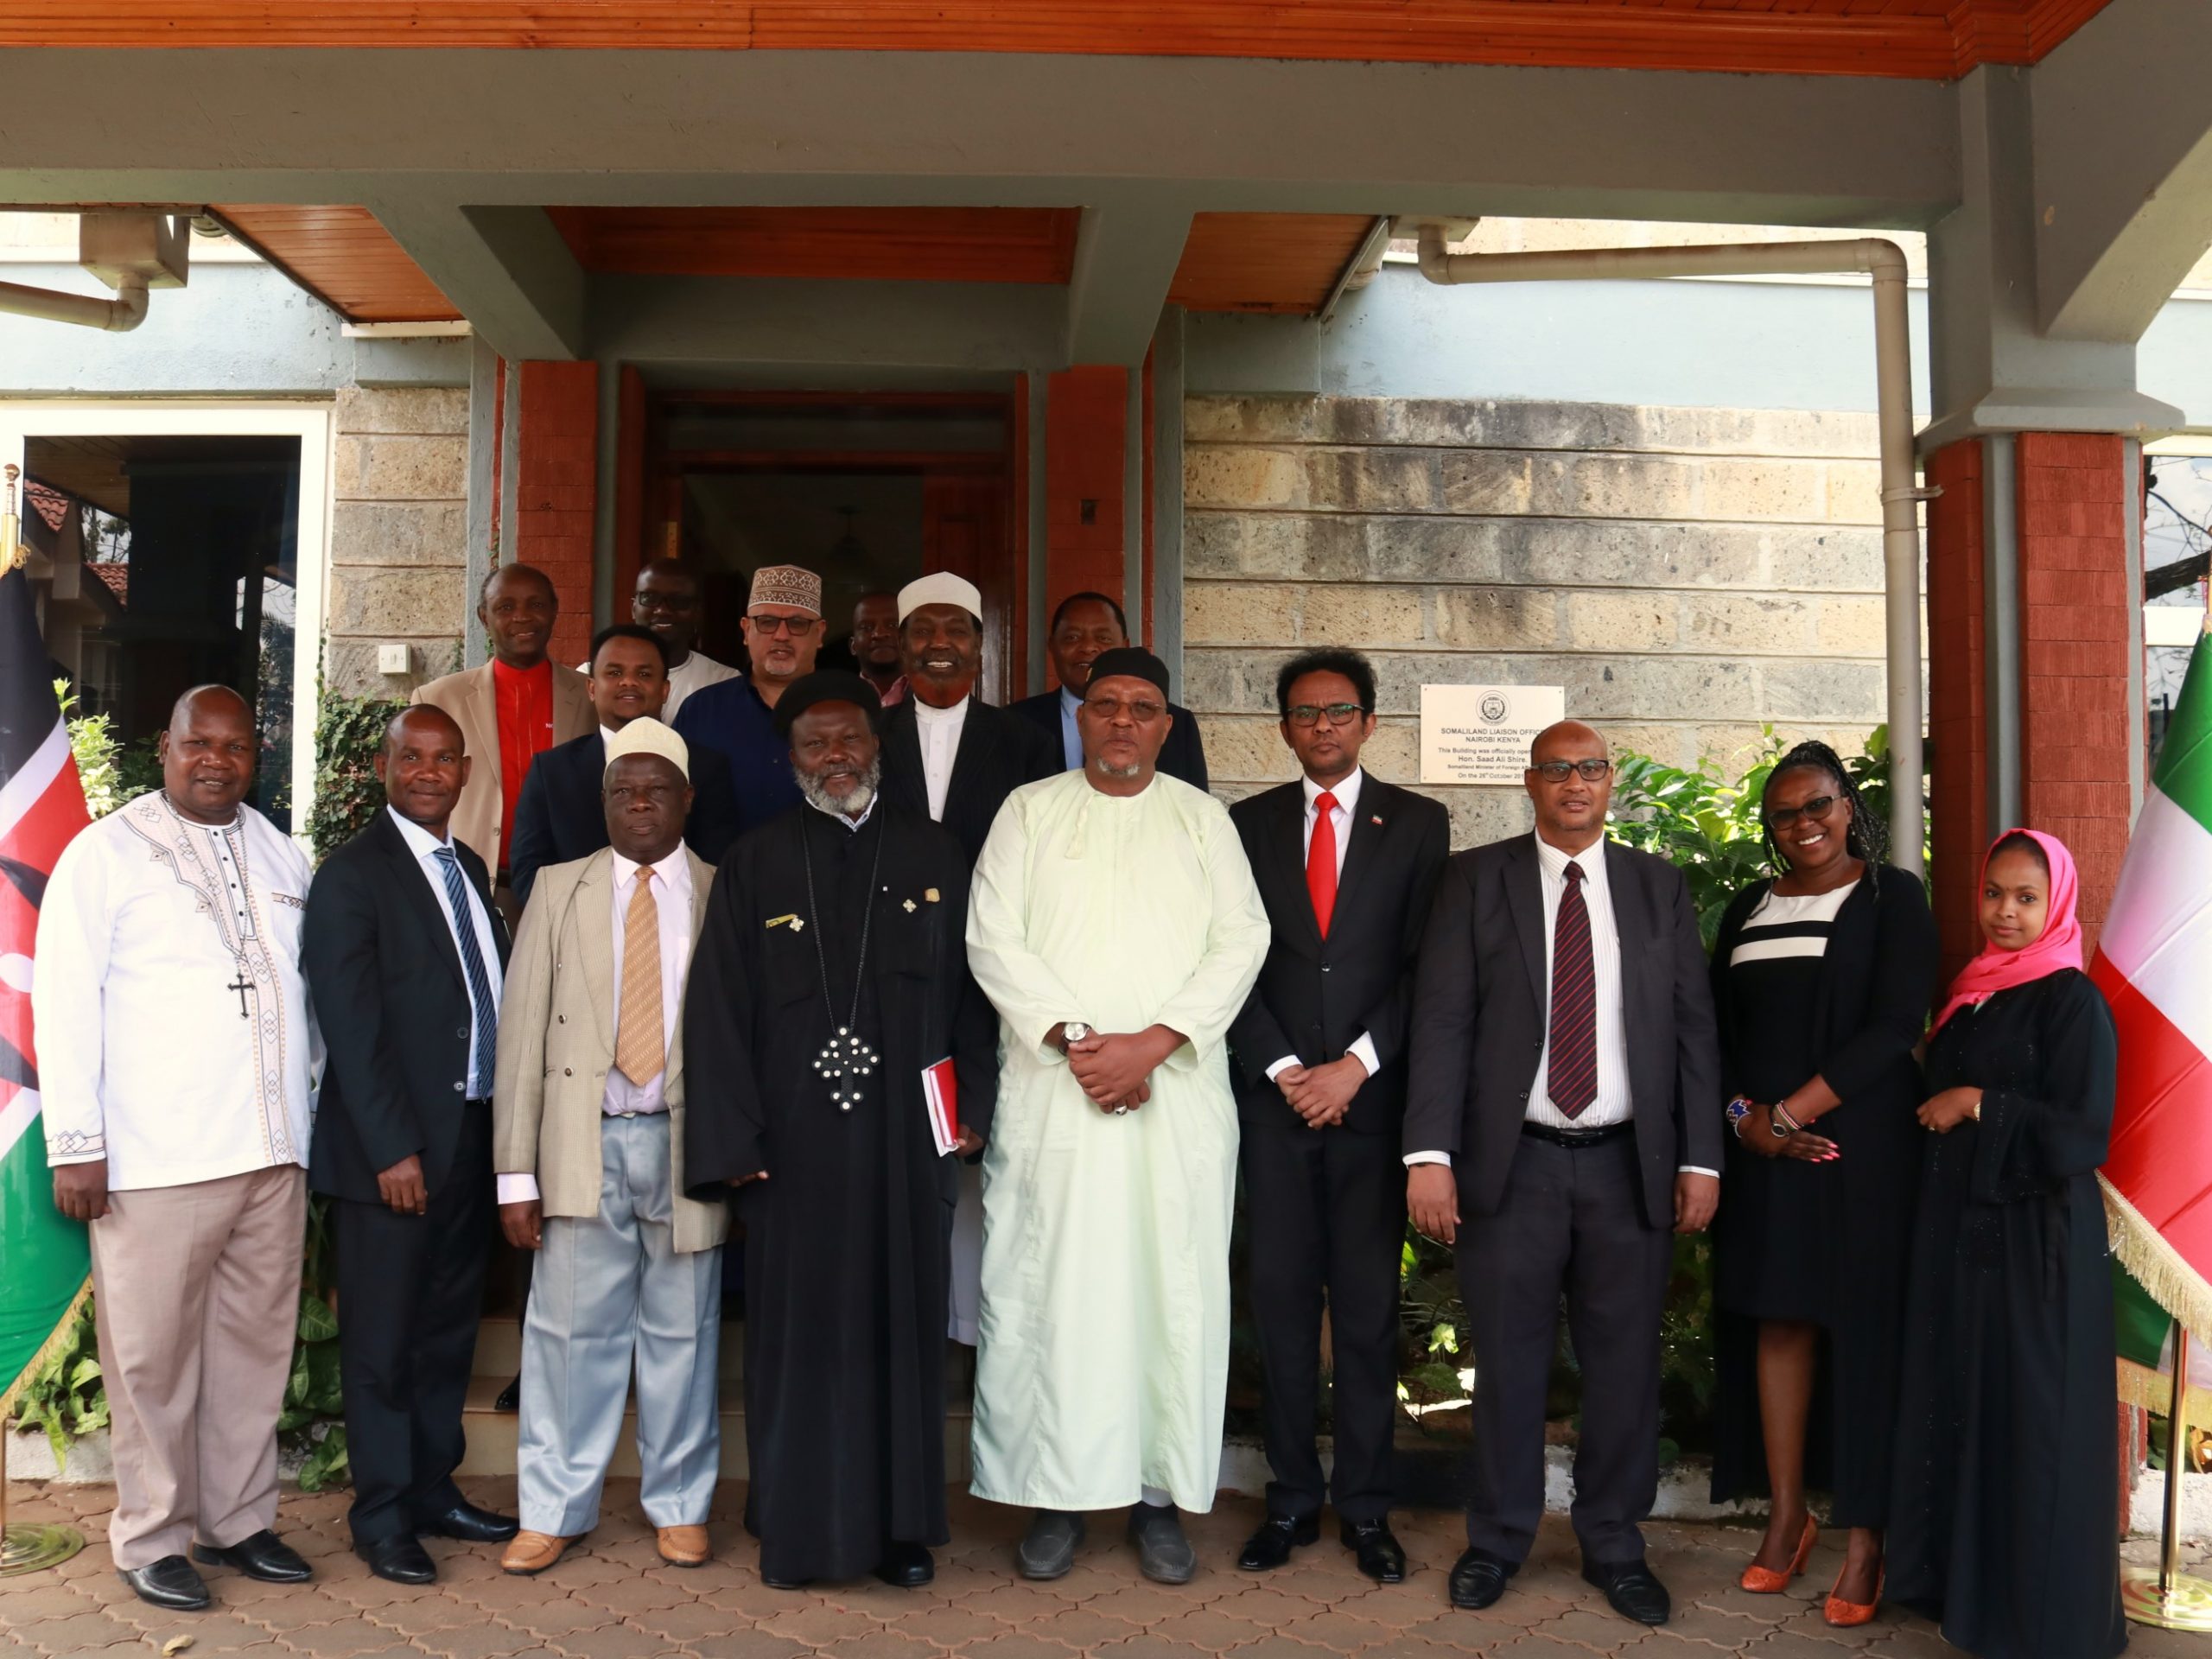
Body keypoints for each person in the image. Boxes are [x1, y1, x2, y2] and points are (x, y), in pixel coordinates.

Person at [1403, 720, 1721, 1628]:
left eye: (1588, 769)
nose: (1573, 784)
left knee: (1624, 1367)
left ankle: (1614, 1544)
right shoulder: (1474, 880)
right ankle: (1497, 1538)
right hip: (1515, 1165)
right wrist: (1428, 1156)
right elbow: (1441, 1024)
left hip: (1629, 1167)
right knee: (1506, 1364)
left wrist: (1701, 1155)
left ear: (1609, 781)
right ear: (1530, 783)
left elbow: (1694, 1031)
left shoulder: (1658, 889)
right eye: (1555, 771)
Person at [965, 647, 1270, 1585]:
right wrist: (1085, 1044)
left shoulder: (1203, 820)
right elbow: (992, 937)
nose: (1124, 722)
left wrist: (1154, 1044)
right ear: (1081, 717)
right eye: (1106, 705)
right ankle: (1054, 1497)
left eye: (1142, 708)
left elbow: (1241, 939)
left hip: (1172, 1103)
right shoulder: (1028, 810)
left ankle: (1157, 1498)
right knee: (1054, 1294)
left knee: (1166, 1295)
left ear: (1166, 727)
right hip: (1058, 1098)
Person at [683, 672, 995, 1589]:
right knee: (801, 1338)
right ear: (790, 763)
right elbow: (718, 1011)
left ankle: (900, 1528)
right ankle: (797, 1523)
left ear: (877, 749)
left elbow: (977, 998)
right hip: (793, 1151)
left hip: (909, 1143)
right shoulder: (755, 860)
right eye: (815, 745)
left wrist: (969, 1108)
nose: (836, 758)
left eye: (850, 741)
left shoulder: (939, 857)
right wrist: (733, 1146)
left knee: (902, 1331)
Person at [35, 686, 317, 1613]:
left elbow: (304, 999)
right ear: (166, 747)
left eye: (235, 746)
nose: (217, 760)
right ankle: (152, 1534)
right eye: (199, 742)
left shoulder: (283, 852)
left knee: (252, 1348)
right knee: (152, 1359)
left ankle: (237, 1520)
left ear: (253, 756)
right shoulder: (104, 855)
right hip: (157, 1158)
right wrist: (78, 1145)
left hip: (271, 1153)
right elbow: (65, 1002)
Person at [1225, 650, 1448, 1585]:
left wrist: (1352, 1070)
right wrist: (1286, 1070)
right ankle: (1287, 1501)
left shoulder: (1420, 824)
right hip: (1275, 1113)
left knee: (1363, 1318)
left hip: (1367, 1110)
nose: (1323, 726)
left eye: (1340, 711)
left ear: (1367, 722)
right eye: (1306, 713)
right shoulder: (1244, 825)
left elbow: (1426, 967)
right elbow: (1225, 958)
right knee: (1279, 1314)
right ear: (1282, 727)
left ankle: (1364, 1507)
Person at [1705, 741, 1937, 1624]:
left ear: (1847, 806)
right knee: (1780, 1321)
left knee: (1864, 1332)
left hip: (1862, 1152)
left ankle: (1866, 1540)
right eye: (1782, 814)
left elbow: (1891, 1027)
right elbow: (1712, 1028)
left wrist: (1791, 1115)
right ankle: (1787, 1517)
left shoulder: (1890, 897)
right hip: (1762, 1152)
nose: (1801, 824)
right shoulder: (1745, 908)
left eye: (1816, 806)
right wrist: (1743, 1121)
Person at [492, 718, 728, 1577]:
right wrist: (514, 1175)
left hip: (684, 1145)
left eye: (656, 788)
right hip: (580, 1144)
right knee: (566, 1338)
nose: (639, 802)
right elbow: (519, 1041)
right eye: (623, 789)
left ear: (686, 801)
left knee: (684, 1336)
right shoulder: (558, 889)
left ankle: (679, 1506)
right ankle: (553, 1510)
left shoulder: (717, 888)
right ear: (602, 802)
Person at [1887, 830, 2125, 1659]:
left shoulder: (2070, 998)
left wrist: (1979, 1100)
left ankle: (2044, 1625)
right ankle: (1972, 1601)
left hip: (2037, 1247)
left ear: (2055, 902)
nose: (2007, 913)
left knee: (2032, 1421)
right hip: (1964, 1236)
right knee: (1971, 1408)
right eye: (1994, 894)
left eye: (2027, 898)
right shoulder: (1972, 991)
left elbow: (2081, 1133)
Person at [303, 706, 520, 1584]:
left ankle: (432, 1487)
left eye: (443, 760)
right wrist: (393, 1148)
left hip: (467, 1134)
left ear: (465, 771)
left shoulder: (465, 866)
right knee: (384, 1343)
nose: (429, 773)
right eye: (412, 759)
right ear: (384, 768)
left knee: (444, 1331)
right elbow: (351, 1027)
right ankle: (382, 1512)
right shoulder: (353, 876)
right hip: (391, 1156)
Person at [876, 571, 1058, 1346]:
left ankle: (982, 1340)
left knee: (987, 1152)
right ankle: (902, 1327)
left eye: (957, 631)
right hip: (886, 977)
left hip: (995, 978)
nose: (940, 645)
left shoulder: (1024, 740)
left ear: (982, 647)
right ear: (901, 642)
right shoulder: (865, 735)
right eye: (924, 630)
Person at [510, 624, 743, 906]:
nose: (629, 682)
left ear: (665, 690)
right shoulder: (551, 772)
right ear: (592, 688)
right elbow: (528, 875)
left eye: (644, 674)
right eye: (615, 673)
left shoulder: (706, 767)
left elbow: (717, 870)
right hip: (575, 938)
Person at [414, 564, 594, 908]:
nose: (522, 617)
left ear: (555, 610)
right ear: (484, 617)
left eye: (536, 605)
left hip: (569, 887)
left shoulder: (590, 697)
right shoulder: (438, 700)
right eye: (505, 607)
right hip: (470, 885)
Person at [673, 563, 824, 836]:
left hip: (821, 877)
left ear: (820, 634)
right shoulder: (701, 711)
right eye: (766, 622)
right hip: (718, 876)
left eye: (798, 624)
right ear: (745, 630)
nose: (781, 635)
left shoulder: (845, 716)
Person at [1008, 591, 1209, 791]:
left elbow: (1193, 806)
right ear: (1052, 646)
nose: (1088, 647)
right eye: (1072, 637)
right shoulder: (1016, 722)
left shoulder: (1178, 725)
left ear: (1124, 645)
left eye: (1103, 638)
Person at [574, 557, 738, 721]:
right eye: (650, 598)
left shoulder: (724, 682)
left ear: (697, 612)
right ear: (634, 608)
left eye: (678, 601)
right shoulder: (588, 676)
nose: (662, 610)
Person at [850, 588, 906, 704]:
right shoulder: (837, 701)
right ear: (853, 645)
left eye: (893, 625)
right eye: (866, 627)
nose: (879, 634)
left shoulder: (933, 696)